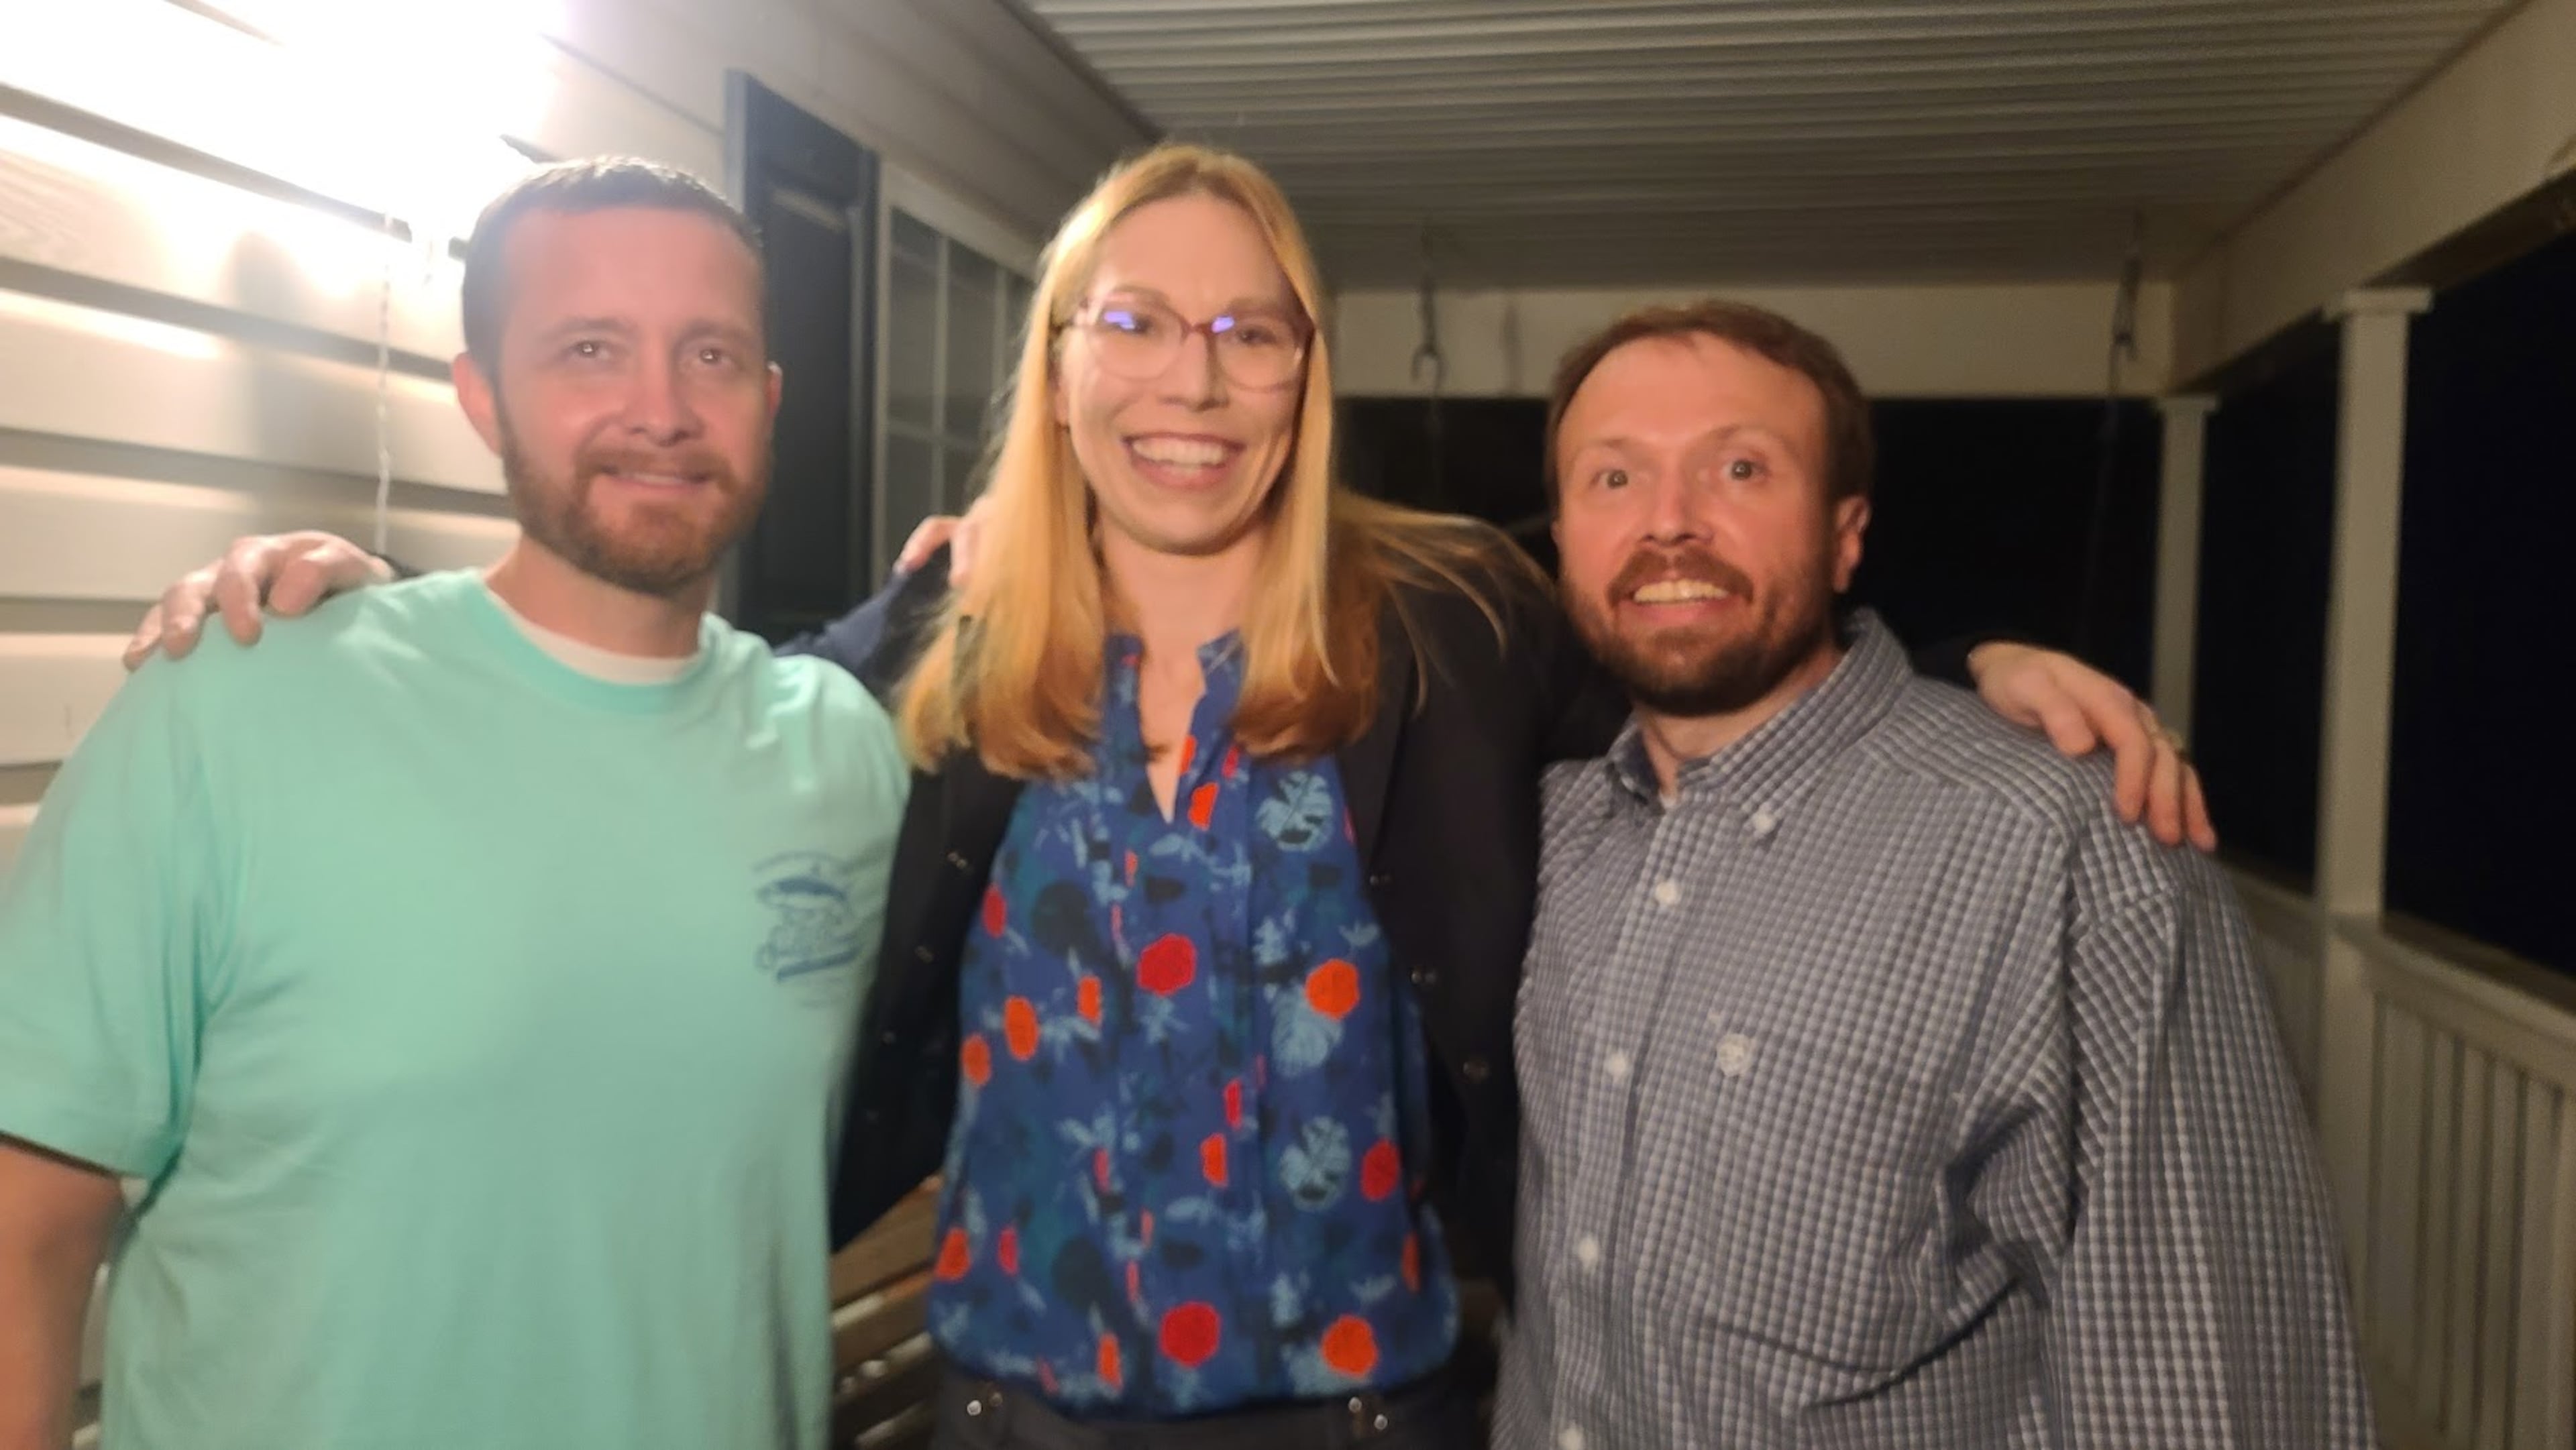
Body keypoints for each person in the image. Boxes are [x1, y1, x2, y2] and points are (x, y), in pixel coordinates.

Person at [119, 144, 2210, 1450]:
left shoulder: (1461, 622)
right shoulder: (933, 654)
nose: (1192, 380)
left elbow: (1710, 657)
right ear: (1059, 363)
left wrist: (1952, 663)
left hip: (1378, 1409)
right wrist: (356, 599)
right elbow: (631, 694)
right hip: (1011, 1411)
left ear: (1308, 370)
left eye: (1247, 329)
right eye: (1135, 321)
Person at [0, 160, 912, 1450]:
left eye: (709, 355)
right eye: (590, 348)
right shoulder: (235, 707)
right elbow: (25, 1218)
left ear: (768, 403)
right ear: (481, 393)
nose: (660, 408)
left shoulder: (844, 758)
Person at [1498, 299, 2371, 1450]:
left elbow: (2211, 1378)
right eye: (1615, 480)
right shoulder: (1563, 828)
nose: (1670, 523)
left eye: (1742, 468)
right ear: (1563, 535)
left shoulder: (2063, 844)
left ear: (1844, 532)